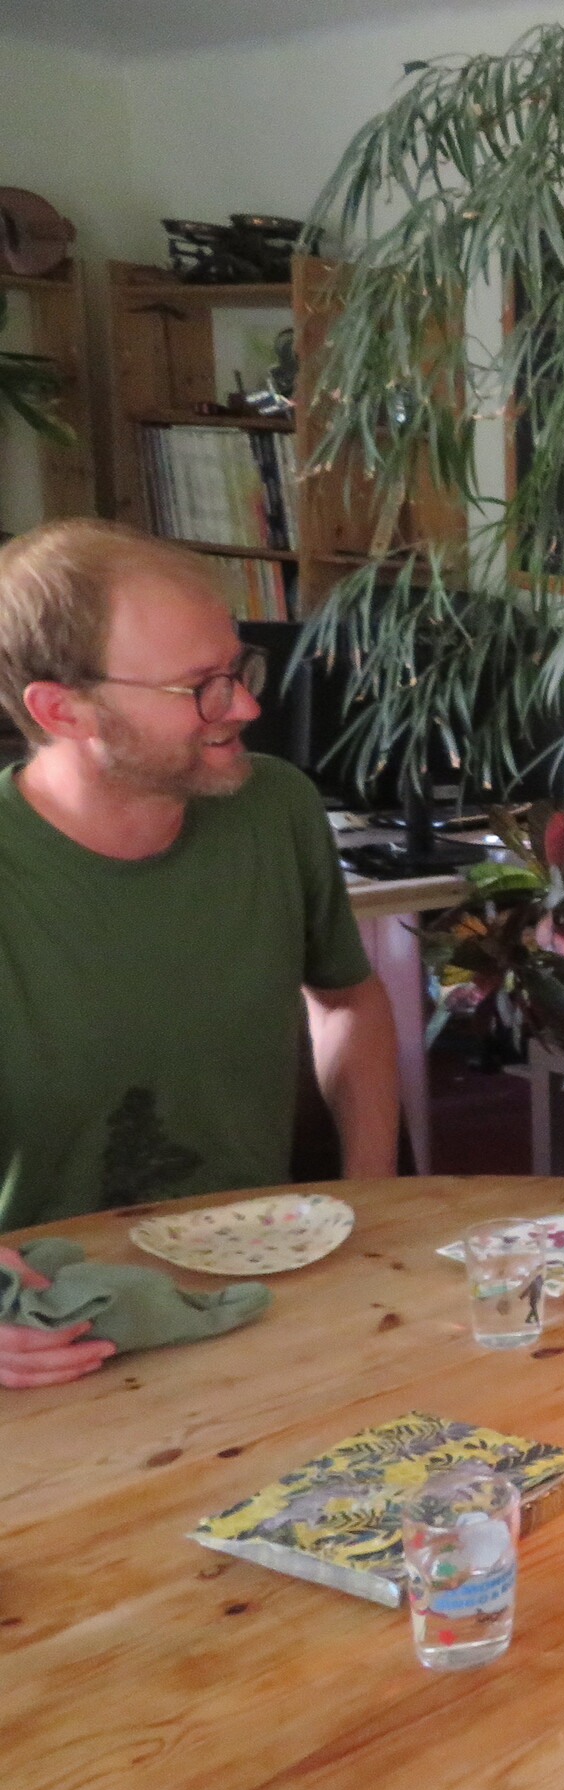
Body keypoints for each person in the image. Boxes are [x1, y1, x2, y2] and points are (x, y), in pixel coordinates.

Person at [0, 519, 398, 1389]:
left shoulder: (277, 807)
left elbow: (347, 997)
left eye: (238, 669)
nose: (245, 706)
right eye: (198, 688)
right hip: (47, 1331)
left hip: (261, 1284)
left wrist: (370, 1193)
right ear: (62, 710)